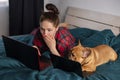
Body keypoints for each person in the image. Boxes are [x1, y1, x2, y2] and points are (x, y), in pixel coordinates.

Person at [32, 3, 75, 70]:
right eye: (42, 29)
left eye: (49, 30)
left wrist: (52, 48)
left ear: (56, 28)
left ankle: (62, 26)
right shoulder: (39, 31)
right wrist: (35, 49)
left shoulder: (64, 41)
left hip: (64, 37)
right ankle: (60, 25)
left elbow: (65, 64)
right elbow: (36, 45)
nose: (45, 33)